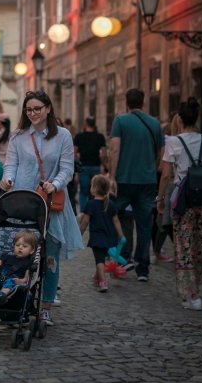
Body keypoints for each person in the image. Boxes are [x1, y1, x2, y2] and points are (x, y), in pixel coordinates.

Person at [0, 90, 82, 324]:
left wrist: (54, 184)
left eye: (37, 108)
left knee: (50, 257)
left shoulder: (63, 135)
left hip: (50, 202)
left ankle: (46, 306)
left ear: (47, 109)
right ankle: (19, 299)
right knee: (22, 251)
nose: (33, 113)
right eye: (29, 109)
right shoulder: (18, 136)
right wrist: (8, 179)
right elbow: (11, 164)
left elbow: (67, 168)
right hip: (23, 200)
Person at [157, 98, 202, 310]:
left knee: (183, 246)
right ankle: (196, 290)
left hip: (183, 201)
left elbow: (165, 175)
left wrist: (160, 199)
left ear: (179, 119)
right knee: (198, 246)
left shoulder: (173, 142)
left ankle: (190, 294)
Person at [108, 88, 163, 282]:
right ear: (143, 102)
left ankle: (124, 258)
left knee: (118, 218)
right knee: (145, 223)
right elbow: (161, 153)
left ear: (126, 103)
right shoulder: (154, 123)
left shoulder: (120, 121)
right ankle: (143, 268)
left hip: (124, 178)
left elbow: (114, 150)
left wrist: (112, 176)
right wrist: (151, 167)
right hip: (147, 180)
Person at [79, 175, 123, 292]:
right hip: (109, 236)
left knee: (99, 260)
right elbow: (116, 220)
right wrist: (121, 235)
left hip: (97, 237)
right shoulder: (111, 204)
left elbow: (85, 221)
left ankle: (103, 282)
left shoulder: (91, 204)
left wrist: (80, 233)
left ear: (94, 188)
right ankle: (96, 276)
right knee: (102, 258)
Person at [152, 115, 182, 263]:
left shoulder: (172, 142)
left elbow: (164, 171)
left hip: (171, 184)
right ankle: (158, 251)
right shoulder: (173, 142)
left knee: (164, 221)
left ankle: (159, 251)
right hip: (178, 185)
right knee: (164, 222)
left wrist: (160, 197)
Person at [0, 230, 36, 306]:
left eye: (24, 246)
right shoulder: (6, 257)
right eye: (17, 245)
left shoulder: (29, 262)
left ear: (31, 250)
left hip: (12, 281)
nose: (20, 248)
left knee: (10, 282)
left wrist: (22, 280)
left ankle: (2, 296)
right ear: (13, 246)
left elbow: (27, 277)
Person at [74, 117, 107, 212]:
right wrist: (103, 164)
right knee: (96, 192)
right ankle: (94, 211)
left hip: (83, 166)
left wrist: (77, 163)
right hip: (96, 166)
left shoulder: (79, 136)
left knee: (83, 192)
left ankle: (84, 213)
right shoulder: (100, 136)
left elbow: (74, 152)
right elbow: (104, 153)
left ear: (86, 124)